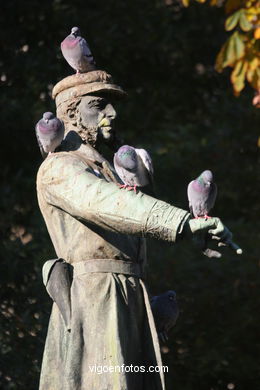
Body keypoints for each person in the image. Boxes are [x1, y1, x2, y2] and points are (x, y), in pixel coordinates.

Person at [37, 70, 239, 390]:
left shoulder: (106, 167)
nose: (111, 114)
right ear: (72, 112)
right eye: (99, 105)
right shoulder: (61, 165)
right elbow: (107, 203)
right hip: (96, 299)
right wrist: (183, 222)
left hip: (128, 296)